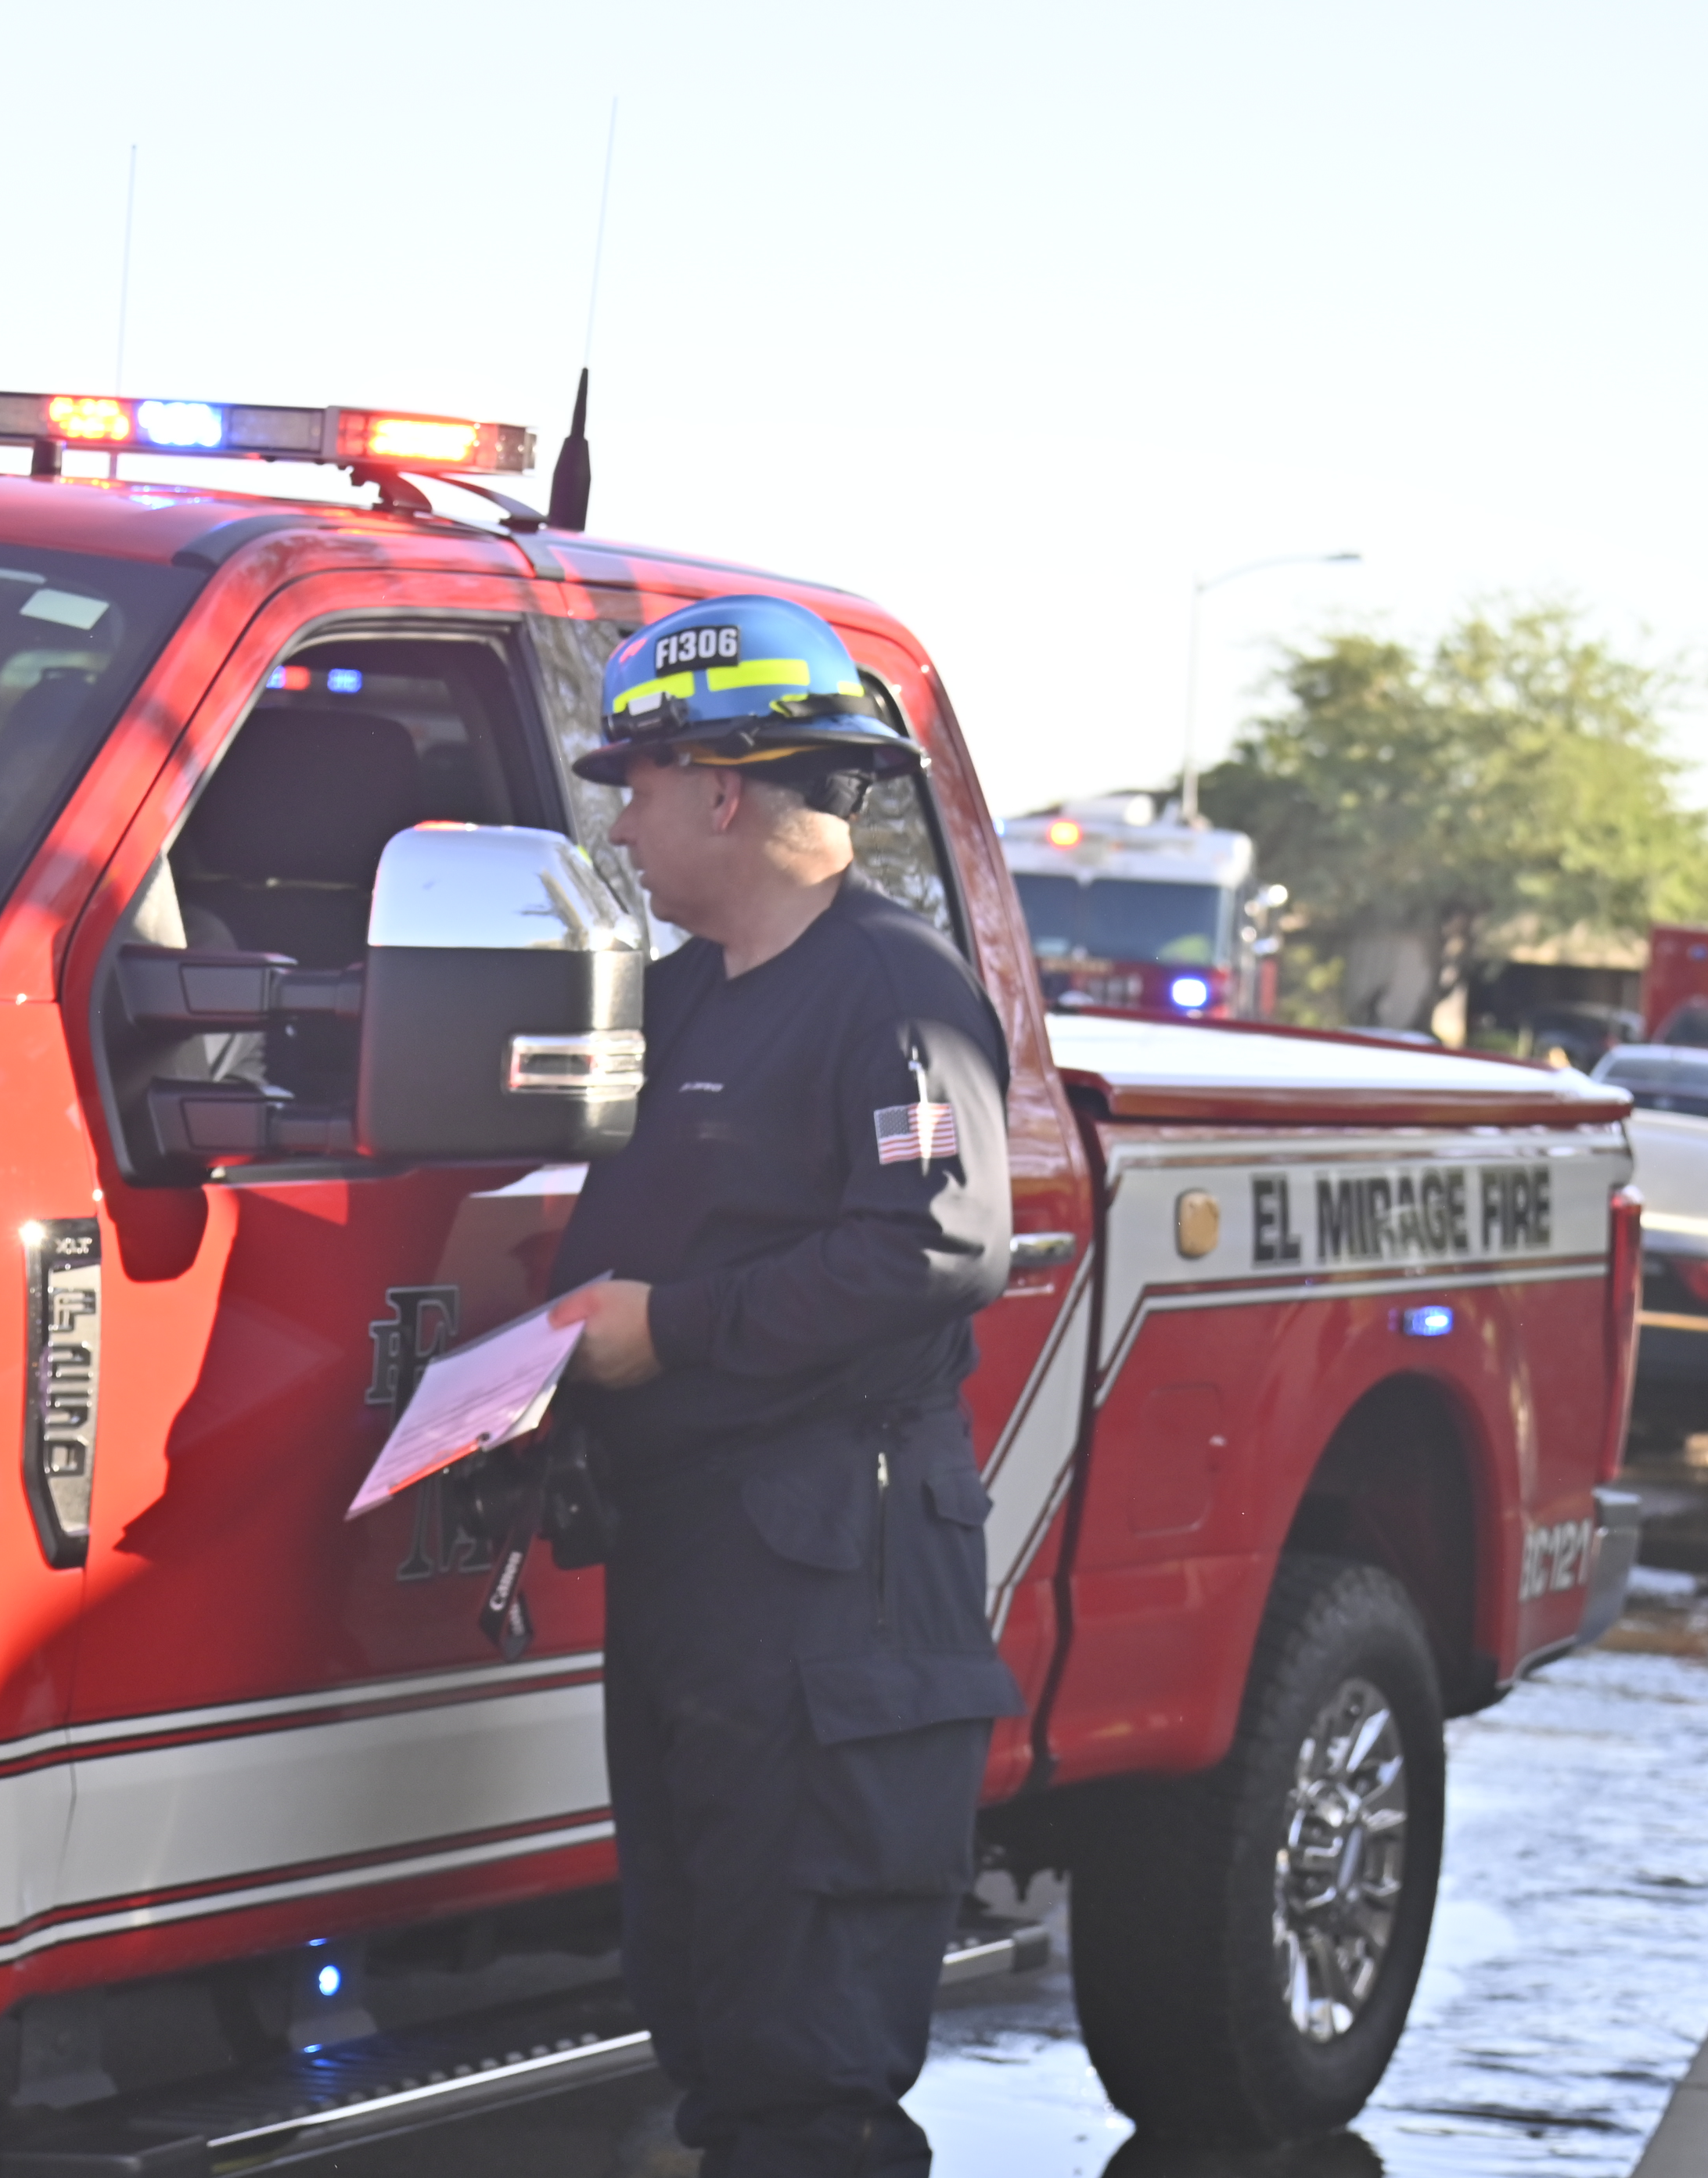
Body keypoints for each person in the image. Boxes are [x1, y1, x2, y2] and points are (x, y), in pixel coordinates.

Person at [545, 593, 1023, 2176]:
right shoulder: (687, 994)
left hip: (833, 1578)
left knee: (807, 2064)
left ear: (723, 789)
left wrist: (670, 1329)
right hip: (700, 1568)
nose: (621, 822)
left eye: (637, 783)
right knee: (709, 2010)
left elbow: (937, 1243)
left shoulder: (892, 992)